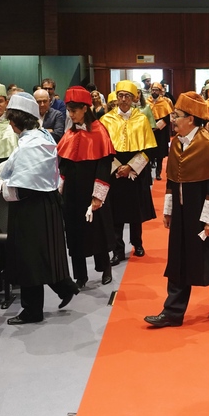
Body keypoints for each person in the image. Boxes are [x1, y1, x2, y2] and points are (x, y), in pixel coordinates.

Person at [144, 92, 209, 327]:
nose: (173, 120)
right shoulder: (176, 143)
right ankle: (173, 311)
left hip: (206, 210)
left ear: (191, 119)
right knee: (178, 257)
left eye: (177, 116)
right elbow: (171, 180)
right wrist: (169, 210)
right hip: (182, 211)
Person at [0, 92, 78, 324]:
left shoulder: (31, 143)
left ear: (16, 120)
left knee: (28, 257)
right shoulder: (41, 135)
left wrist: (2, 186)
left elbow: (23, 184)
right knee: (42, 252)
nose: (10, 124)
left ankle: (32, 310)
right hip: (44, 203)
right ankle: (65, 287)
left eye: (11, 119)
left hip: (31, 206)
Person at [57, 87, 116, 288]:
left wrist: (98, 196)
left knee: (97, 231)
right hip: (72, 193)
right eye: (69, 111)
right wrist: (60, 190)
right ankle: (80, 275)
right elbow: (63, 164)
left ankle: (105, 267)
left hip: (92, 191)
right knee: (74, 234)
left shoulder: (100, 131)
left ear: (85, 108)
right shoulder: (70, 134)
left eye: (74, 110)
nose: (71, 115)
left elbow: (104, 166)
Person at [100, 81, 158, 265]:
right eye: (120, 96)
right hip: (114, 169)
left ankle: (137, 243)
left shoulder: (141, 119)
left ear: (134, 98)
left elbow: (149, 148)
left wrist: (131, 167)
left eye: (127, 96)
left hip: (135, 171)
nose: (123, 100)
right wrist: (117, 167)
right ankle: (117, 249)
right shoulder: (106, 119)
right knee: (115, 212)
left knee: (135, 211)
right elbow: (103, 148)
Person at [147, 82, 173, 180]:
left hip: (161, 131)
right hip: (149, 131)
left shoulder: (165, 102)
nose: (154, 91)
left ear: (160, 91)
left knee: (160, 153)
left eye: (156, 90)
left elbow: (168, 116)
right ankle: (149, 171)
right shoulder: (147, 102)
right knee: (150, 152)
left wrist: (158, 126)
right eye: (153, 90)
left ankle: (158, 172)